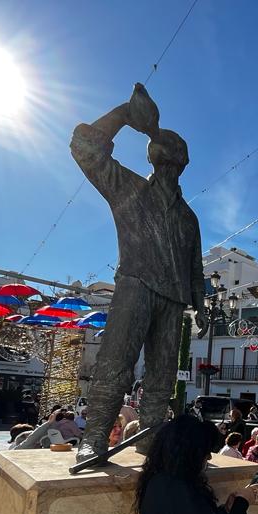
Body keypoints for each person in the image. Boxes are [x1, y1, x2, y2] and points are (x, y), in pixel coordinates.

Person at [70, 84, 207, 458]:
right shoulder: (128, 188)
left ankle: (149, 438)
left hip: (174, 299)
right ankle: (94, 437)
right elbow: (85, 148)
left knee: (162, 379)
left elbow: (195, 267)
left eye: (174, 155)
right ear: (156, 159)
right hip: (136, 285)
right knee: (116, 364)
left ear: (180, 163)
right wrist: (122, 115)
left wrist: (202, 305)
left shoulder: (188, 217)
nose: (170, 160)